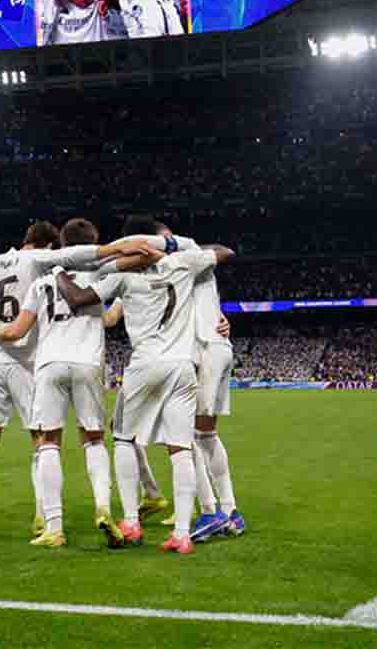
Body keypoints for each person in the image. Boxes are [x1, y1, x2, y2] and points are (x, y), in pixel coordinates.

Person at [0, 223, 158, 540]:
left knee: (6, 437)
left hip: (16, 359)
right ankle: (86, 508)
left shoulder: (6, 271)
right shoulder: (72, 270)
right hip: (53, 361)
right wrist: (130, 248)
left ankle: (20, 523)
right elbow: (112, 272)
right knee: (84, 438)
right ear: (50, 246)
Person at [64, 241, 234, 554]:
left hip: (144, 365)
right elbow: (225, 252)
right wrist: (168, 251)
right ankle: (182, 535)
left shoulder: (123, 279)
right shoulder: (180, 267)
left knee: (124, 438)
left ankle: (131, 521)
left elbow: (77, 299)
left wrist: (58, 270)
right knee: (181, 447)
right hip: (182, 368)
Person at [117, 215, 244, 541]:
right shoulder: (165, 268)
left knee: (183, 439)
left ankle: (211, 511)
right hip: (214, 348)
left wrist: (166, 248)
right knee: (205, 435)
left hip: (202, 351)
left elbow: (225, 250)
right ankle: (229, 511)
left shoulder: (184, 252)